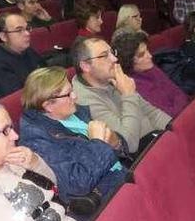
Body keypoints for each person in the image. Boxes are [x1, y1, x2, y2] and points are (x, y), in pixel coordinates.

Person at [19, 67, 127, 202]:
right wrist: (99, 143)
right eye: (68, 94)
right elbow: (78, 183)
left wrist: (116, 143)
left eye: (72, 90)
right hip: (103, 197)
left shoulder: (74, 112)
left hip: (121, 176)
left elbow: (119, 149)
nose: (75, 96)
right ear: (48, 105)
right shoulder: (36, 139)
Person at [72, 36, 171, 155]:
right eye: (104, 55)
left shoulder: (111, 77)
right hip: (143, 154)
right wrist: (128, 94)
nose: (114, 59)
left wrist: (175, 129)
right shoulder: (84, 101)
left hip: (159, 139)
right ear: (85, 66)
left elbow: (152, 113)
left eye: (112, 52)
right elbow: (129, 144)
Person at [113, 31, 189, 117]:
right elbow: (166, 114)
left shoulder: (151, 68)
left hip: (184, 112)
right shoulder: (132, 86)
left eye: (147, 50)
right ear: (128, 61)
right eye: (141, 55)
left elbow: (178, 92)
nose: (150, 56)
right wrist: (183, 107)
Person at [0, 12, 45, 97]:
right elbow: (16, 97)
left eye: (27, 28)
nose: (27, 34)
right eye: (19, 30)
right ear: (3, 36)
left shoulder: (27, 50)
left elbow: (46, 73)